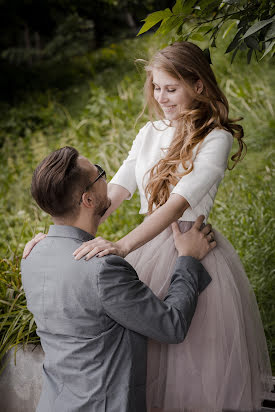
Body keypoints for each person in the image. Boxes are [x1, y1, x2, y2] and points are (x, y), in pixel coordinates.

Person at [24, 42, 272, 411]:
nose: (161, 97)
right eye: (156, 87)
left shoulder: (215, 138)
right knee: (150, 359)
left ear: (198, 86)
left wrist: (123, 246)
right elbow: (114, 191)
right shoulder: (150, 132)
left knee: (194, 366)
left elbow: (176, 205)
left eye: (171, 88)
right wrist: (58, 233)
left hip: (190, 245)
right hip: (148, 248)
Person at [21, 146, 214, 412]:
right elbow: (172, 326)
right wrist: (189, 258)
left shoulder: (32, 254)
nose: (106, 179)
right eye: (99, 174)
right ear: (88, 200)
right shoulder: (103, 269)